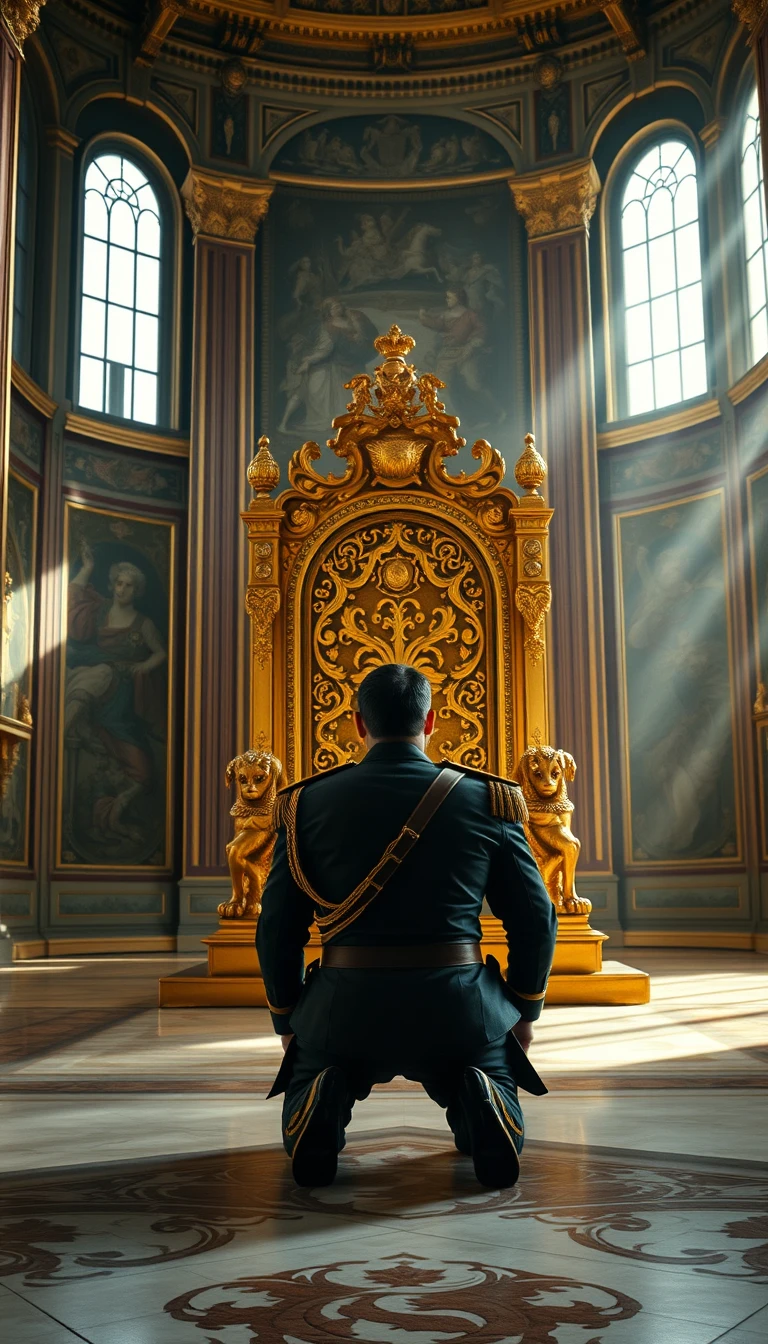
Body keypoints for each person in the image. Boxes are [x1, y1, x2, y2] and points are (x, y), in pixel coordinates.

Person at [256, 663, 557, 1190]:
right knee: (484, 1068)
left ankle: (324, 1089)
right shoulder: (489, 798)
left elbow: (278, 926)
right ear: (431, 720)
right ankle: (479, 1090)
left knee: (320, 1071)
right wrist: (525, 1009)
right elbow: (535, 916)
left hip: (342, 1011)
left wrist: (287, 1020)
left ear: (357, 724)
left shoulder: (304, 803)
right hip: (460, 1011)